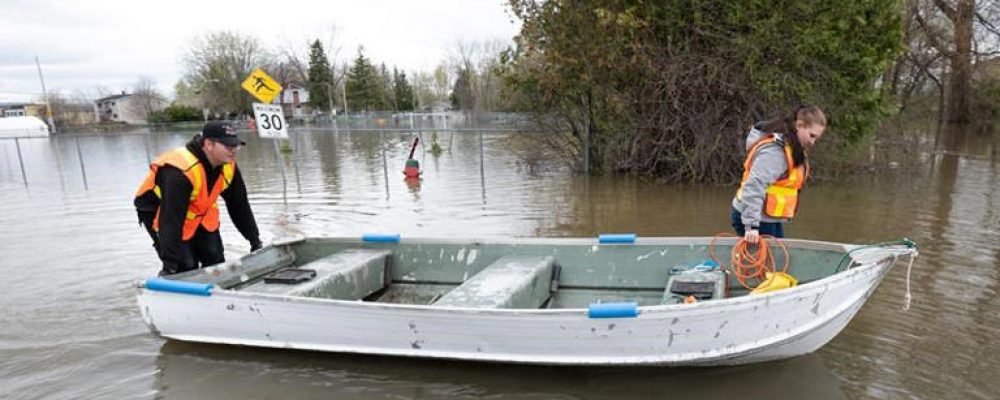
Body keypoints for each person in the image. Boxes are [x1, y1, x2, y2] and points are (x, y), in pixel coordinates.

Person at [134, 121, 262, 276]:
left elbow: (239, 206)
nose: (234, 150)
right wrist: (169, 266)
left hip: (200, 209)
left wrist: (255, 241)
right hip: (159, 210)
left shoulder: (229, 166)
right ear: (209, 144)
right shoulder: (180, 172)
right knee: (186, 265)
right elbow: (170, 220)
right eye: (228, 146)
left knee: (215, 260)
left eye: (236, 145)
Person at [731, 106, 826, 244]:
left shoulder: (792, 148)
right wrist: (751, 226)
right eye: (811, 135)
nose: (813, 142)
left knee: (779, 259)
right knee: (769, 263)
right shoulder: (775, 152)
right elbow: (754, 186)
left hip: (768, 217)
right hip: (754, 218)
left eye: (816, 138)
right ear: (799, 125)